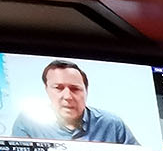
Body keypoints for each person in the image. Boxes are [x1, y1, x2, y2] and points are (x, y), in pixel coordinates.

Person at [10, 60, 138, 145]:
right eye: (58, 88)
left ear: (86, 91)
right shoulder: (28, 121)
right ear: (47, 90)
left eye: (75, 89)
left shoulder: (112, 124)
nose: (67, 96)